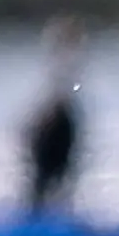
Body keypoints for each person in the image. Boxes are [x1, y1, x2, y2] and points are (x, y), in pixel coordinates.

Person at [23, 16, 85, 219]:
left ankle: (54, 213)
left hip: (61, 120)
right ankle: (37, 216)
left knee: (61, 181)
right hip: (53, 123)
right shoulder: (56, 68)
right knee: (42, 183)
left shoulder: (70, 72)